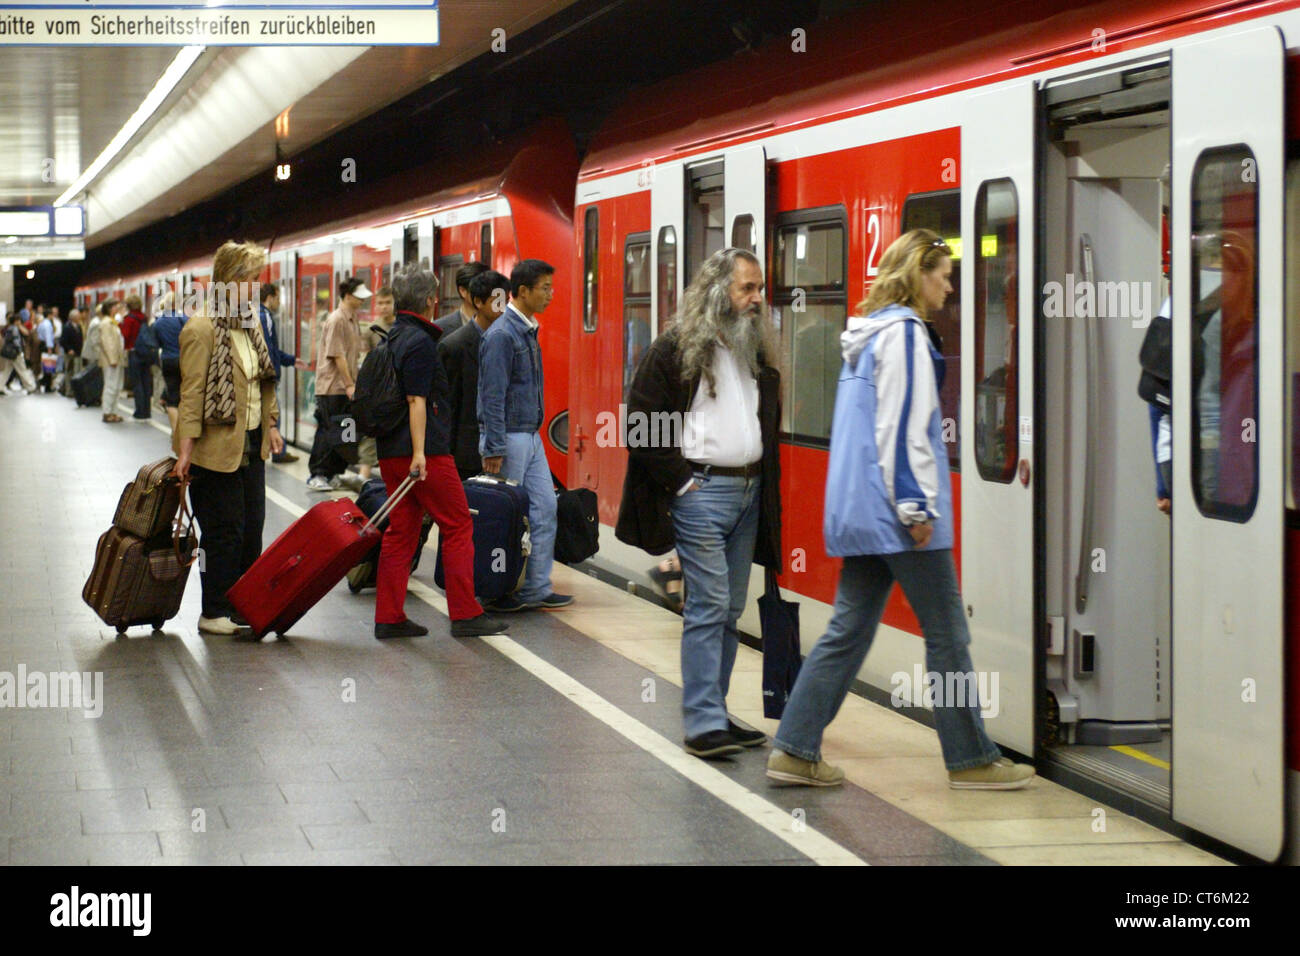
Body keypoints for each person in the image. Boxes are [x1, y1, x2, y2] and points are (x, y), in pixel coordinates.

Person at [764, 229, 1034, 790]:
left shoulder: (870, 335)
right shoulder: (908, 334)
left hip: (865, 510)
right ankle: (972, 759)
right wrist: (915, 506)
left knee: (848, 630)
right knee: (948, 634)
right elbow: (902, 426)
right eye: (943, 272)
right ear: (918, 273)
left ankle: (794, 748)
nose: (950, 284)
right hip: (898, 514)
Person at [616, 247, 782, 758]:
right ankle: (702, 721)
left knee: (730, 608)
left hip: (749, 495)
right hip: (702, 495)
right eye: (746, 289)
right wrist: (683, 485)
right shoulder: (674, 350)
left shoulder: (753, 352)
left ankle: (717, 709)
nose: (757, 299)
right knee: (709, 604)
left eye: (759, 289)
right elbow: (641, 427)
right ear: (717, 292)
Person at [372, 265, 507, 639]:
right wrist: (420, 453)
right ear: (431, 300)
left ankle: (389, 616)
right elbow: (417, 399)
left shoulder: (393, 336)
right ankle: (464, 613)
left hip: (390, 453)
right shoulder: (420, 342)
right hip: (424, 453)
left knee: (402, 531)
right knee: (459, 523)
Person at [172, 241, 284, 637]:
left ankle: (243, 604)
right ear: (229, 281)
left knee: (252, 526)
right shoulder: (201, 328)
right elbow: (192, 394)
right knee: (224, 532)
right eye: (250, 280)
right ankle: (213, 610)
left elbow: (262, 381)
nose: (256, 287)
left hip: (250, 443)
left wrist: (271, 424)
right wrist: (184, 452)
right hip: (214, 450)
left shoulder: (249, 323)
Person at [477, 259, 572, 612]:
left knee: (545, 509)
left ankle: (535, 588)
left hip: (529, 437)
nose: (551, 294)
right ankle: (495, 588)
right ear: (524, 291)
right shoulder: (503, 335)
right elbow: (492, 395)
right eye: (545, 288)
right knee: (505, 518)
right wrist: (494, 446)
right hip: (509, 440)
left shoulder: (527, 330)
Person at [439, 269, 508, 480]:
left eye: (505, 300)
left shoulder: (507, 341)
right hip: (464, 454)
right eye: (496, 301)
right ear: (478, 302)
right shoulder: (454, 346)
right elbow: (447, 406)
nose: (502, 308)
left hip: (501, 448)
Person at [307, 276, 370, 491]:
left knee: (343, 433)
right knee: (327, 430)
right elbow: (337, 355)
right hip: (332, 387)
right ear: (349, 296)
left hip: (345, 387)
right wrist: (349, 384)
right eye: (359, 297)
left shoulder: (352, 319)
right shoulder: (336, 320)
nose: (362, 301)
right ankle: (318, 474)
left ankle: (333, 472)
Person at [257, 282, 305, 464]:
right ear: (270, 298)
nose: (279, 302)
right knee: (272, 414)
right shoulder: (265, 316)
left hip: (269, 375)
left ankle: (278, 449)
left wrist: (290, 360)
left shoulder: (263, 314)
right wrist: (273, 373)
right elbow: (269, 350)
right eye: (278, 298)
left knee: (272, 414)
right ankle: (278, 450)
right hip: (269, 377)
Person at [355, 285, 396, 479]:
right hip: (377, 389)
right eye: (380, 303)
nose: (384, 306)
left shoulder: (401, 327)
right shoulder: (371, 330)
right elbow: (365, 361)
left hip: (397, 388)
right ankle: (364, 474)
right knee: (370, 434)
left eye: (388, 302)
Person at [153, 292, 189, 432]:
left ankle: (175, 433)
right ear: (177, 304)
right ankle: (185, 430)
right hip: (184, 360)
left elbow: (157, 344)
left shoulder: (158, 323)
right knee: (185, 395)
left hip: (167, 360)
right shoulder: (183, 319)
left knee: (172, 398)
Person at [434, 261, 489, 335]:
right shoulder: (440, 328)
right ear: (463, 291)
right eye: (479, 287)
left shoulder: (497, 326)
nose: (485, 292)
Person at [121, 295, 152, 419]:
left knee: (137, 382)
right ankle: (147, 410)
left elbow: (125, 335)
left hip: (134, 352)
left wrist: (119, 326)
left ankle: (139, 411)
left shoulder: (129, 319)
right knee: (146, 382)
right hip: (146, 352)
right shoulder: (144, 317)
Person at [99, 301, 126, 423]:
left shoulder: (112, 322)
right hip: (111, 361)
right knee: (110, 386)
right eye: (115, 306)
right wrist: (113, 359)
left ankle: (114, 412)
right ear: (109, 308)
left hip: (117, 360)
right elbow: (107, 343)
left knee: (117, 386)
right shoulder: (106, 323)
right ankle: (107, 412)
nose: (117, 308)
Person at [1, 314, 37, 394]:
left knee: (6, 371)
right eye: (19, 320)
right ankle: (30, 387)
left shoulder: (9, 328)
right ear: (16, 321)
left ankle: (0, 387)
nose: (20, 322)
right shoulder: (15, 329)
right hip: (15, 353)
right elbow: (16, 341)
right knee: (22, 370)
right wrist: (20, 351)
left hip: (9, 354)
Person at [59, 308, 84, 396]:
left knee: (77, 372)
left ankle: (75, 391)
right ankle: (69, 391)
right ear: (73, 317)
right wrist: (69, 349)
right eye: (78, 316)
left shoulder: (79, 326)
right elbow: (62, 341)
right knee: (69, 372)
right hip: (70, 354)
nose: (80, 317)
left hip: (78, 353)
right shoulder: (67, 327)